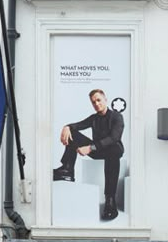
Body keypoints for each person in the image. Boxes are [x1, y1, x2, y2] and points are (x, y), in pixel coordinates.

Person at [53, 88, 124, 220]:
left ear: (105, 100)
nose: (96, 104)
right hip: (98, 150)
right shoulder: (94, 118)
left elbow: (114, 138)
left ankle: (110, 200)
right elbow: (78, 125)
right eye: (93, 102)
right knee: (72, 133)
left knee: (113, 152)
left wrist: (90, 148)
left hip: (113, 149)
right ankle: (67, 169)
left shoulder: (116, 116)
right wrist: (67, 127)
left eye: (99, 100)